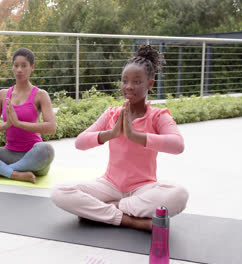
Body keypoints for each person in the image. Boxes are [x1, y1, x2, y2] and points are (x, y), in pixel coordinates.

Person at [50, 45, 189, 231]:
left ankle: (110, 210)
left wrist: (135, 135)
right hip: (109, 185)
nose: (129, 86)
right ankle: (129, 220)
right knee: (59, 192)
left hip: (143, 188)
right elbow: (80, 142)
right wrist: (111, 133)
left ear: (150, 84)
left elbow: (178, 145)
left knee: (180, 194)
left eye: (137, 82)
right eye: (125, 81)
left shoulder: (158, 116)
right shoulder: (112, 114)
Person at [0, 48, 56, 183]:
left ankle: (1, 171)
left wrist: (18, 124)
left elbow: (51, 127)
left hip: (34, 157)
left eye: (24, 66)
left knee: (47, 150)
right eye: (16, 65)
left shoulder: (40, 95)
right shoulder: (2, 94)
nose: (19, 70)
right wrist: (7, 124)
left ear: (32, 68)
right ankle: (14, 173)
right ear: (12, 67)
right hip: (8, 154)